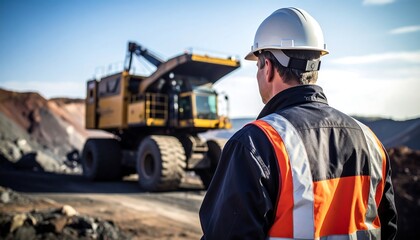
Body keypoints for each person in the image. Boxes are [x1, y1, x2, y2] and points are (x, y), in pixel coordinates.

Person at [199, 7, 397, 240]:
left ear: (268, 68)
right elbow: (388, 229)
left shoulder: (255, 144)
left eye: (257, 66)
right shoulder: (370, 140)